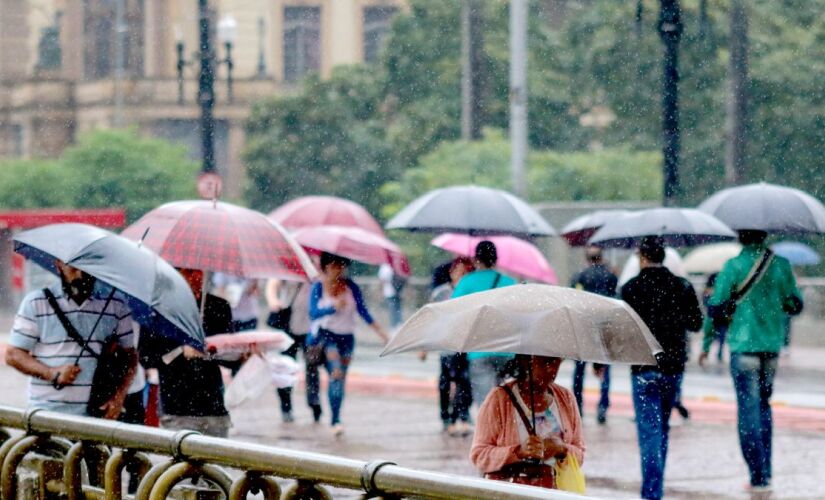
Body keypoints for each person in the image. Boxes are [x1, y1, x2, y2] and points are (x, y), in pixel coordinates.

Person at [700, 230, 803, 493]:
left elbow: (716, 307)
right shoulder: (781, 265)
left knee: (748, 411)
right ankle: (766, 471)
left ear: (740, 237)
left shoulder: (733, 266)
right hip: (771, 346)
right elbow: (795, 304)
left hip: (743, 345)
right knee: (764, 407)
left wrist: (706, 344)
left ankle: (757, 476)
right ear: (765, 235)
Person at [621, 236, 703, 500]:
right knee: (663, 428)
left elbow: (619, 328)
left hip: (643, 366)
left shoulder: (630, 289)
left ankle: (652, 492)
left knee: (649, 431)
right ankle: (656, 486)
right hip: (673, 367)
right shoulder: (681, 286)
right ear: (664, 257)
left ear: (641, 256)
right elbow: (696, 323)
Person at [5, 261, 137, 419]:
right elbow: (13, 354)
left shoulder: (116, 304)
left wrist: (118, 398)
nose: (81, 275)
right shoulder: (36, 303)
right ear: (59, 265)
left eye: (87, 267)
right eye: (74, 267)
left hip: (97, 415)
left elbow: (130, 356)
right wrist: (51, 373)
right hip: (46, 413)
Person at [140, 268, 233, 437]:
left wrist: (241, 353)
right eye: (188, 272)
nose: (195, 277)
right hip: (176, 406)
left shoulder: (218, 307)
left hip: (213, 405)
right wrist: (180, 351)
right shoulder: (160, 310)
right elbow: (147, 357)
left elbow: (230, 358)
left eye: (198, 271)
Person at [470, 355, 585, 490]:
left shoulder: (566, 398)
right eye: (546, 362)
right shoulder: (499, 399)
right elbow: (479, 455)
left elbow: (580, 454)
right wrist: (518, 452)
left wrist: (561, 449)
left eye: (557, 362)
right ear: (526, 361)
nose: (552, 369)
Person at [308, 252, 389, 436]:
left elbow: (363, 312)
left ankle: (336, 415)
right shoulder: (318, 287)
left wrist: (383, 334)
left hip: (347, 340)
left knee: (341, 379)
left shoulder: (351, 287)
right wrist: (331, 307)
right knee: (335, 374)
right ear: (325, 267)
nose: (338, 269)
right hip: (328, 338)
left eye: (341, 265)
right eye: (333, 265)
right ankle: (335, 421)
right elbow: (312, 313)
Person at [452, 241, 517, 406]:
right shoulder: (509, 282)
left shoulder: (466, 283)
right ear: (495, 259)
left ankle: (489, 429)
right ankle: (505, 428)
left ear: (476, 259)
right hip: (506, 350)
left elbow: (454, 312)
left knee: (486, 402)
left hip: (479, 348)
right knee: (506, 399)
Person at [570, 245, 617, 425]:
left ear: (587, 259)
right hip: (604, 328)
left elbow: (573, 300)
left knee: (579, 371)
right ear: (601, 257)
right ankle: (602, 406)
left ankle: (578, 406)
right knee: (605, 370)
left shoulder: (579, 276)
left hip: (584, 329)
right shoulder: (610, 276)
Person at [427, 257, 474, 435]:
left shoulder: (471, 293)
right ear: (452, 273)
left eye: (465, 273)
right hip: (446, 346)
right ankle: (445, 417)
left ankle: (459, 416)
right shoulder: (441, 293)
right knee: (445, 382)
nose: (461, 276)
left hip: (464, 346)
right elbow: (431, 317)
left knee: (463, 382)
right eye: (459, 272)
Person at [266, 278, 320, 423]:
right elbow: (273, 283)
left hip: (311, 329)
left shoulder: (317, 269)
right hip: (289, 327)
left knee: (312, 367)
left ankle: (314, 403)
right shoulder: (291, 266)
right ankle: (286, 407)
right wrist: (273, 301)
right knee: (285, 367)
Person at [701, 273, 727, 363]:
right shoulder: (724, 279)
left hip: (714, 314)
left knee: (710, 335)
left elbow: (706, 300)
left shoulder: (715, 278)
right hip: (721, 315)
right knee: (720, 336)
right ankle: (716, 353)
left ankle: (707, 352)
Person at [378, 263, 405, 328]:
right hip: (398, 292)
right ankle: (399, 325)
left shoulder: (385, 266)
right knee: (398, 310)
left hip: (389, 292)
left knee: (393, 311)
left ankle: (394, 326)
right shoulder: (396, 265)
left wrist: (380, 291)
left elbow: (382, 280)